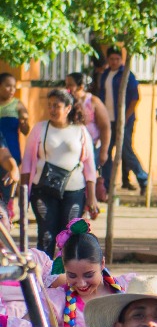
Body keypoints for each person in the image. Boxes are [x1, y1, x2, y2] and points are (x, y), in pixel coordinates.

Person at [41, 222, 132, 327]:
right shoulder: (57, 301)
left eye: (88, 275)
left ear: (102, 264)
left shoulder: (129, 288)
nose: (81, 283)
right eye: (72, 275)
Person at [21, 89, 99, 256]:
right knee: (46, 233)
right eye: (49, 106)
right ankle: (45, 275)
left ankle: (68, 276)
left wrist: (91, 196)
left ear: (68, 108)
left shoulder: (81, 131)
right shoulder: (40, 129)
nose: (52, 110)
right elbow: (27, 162)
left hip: (74, 191)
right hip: (43, 190)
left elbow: (89, 166)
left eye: (57, 106)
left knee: (71, 234)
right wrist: (23, 193)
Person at [97, 47, 147, 192]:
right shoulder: (106, 74)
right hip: (108, 120)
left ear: (122, 60)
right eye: (111, 59)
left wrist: (124, 118)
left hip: (124, 121)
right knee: (105, 151)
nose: (114, 62)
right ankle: (107, 185)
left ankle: (143, 179)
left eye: (117, 59)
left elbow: (135, 98)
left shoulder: (127, 75)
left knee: (126, 151)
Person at [64, 73, 109, 186]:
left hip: (92, 146)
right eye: (66, 85)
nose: (67, 88)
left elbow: (105, 127)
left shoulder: (93, 101)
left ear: (80, 87)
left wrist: (104, 151)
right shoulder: (66, 101)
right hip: (72, 146)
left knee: (88, 176)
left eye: (70, 85)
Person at [0, 74, 31, 194]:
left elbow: (25, 131)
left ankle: (8, 208)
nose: (12, 89)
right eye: (8, 86)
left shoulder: (17, 105)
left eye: (14, 86)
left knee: (7, 183)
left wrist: (23, 122)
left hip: (11, 149)